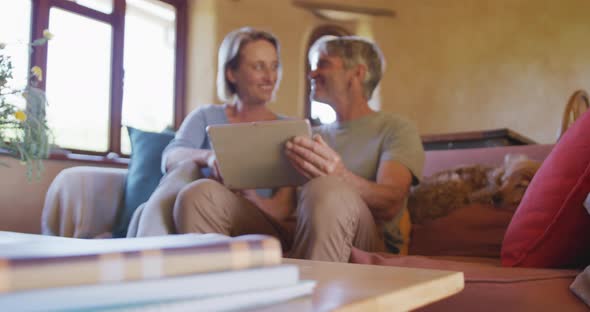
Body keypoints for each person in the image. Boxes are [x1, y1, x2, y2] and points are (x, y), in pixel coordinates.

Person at [172, 36, 425, 262]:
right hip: (298, 235)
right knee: (199, 194)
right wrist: (249, 196)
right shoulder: (306, 133)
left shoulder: (395, 128)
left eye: (323, 64)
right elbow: (281, 211)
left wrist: (341, 176)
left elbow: (391, 202)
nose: (312, 74)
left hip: (369, 240)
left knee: (327, 187)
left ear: (356, 74)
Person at [128, 27, 286, 237]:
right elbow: (170, 157)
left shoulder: (287, 129)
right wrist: (209, 157)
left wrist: (250, 196)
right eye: (259, 67)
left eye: (274, 66)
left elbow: (282, 212)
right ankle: (149, 240)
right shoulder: (205, 116)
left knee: (149, 211)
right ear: (231, 73)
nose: (270, 77)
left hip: (252, 218)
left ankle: (144, 245)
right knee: (185, 168)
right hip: (190, 213)